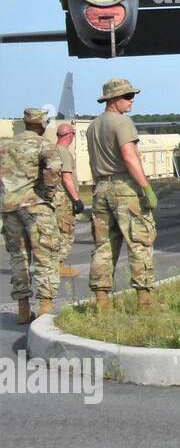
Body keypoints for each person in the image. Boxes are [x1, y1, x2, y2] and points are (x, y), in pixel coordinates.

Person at [86, 78, 158, 313]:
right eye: (127, 97)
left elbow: (92, 161)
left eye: (132, 96)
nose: (132, 101)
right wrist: (146, 187)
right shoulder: (122, 122)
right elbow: (129, 157)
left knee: (103, 247)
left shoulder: (93, 126)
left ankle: (101, 304)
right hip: (125, 188)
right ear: (113, 99)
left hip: (101, 189)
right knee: (139, 243)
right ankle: (145, 303)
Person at [1, 108, 63, 323]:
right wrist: (47, 194)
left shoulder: (5, 145)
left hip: (9, 208)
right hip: (35, 207)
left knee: (18, 257)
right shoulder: (43, 144)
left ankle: (23, 309)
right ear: (42, 124)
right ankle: (45, 306)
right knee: (45, 255)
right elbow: (54, 169)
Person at [53, 122, 85, 278]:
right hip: (64, 198)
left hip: (52, 198)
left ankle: (52, 265)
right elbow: (66, 178)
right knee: (66, 233)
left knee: (55, 233)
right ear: (69, 135)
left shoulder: (50, 151)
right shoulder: (64, 153)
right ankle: (58, 266)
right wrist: (77, 199)